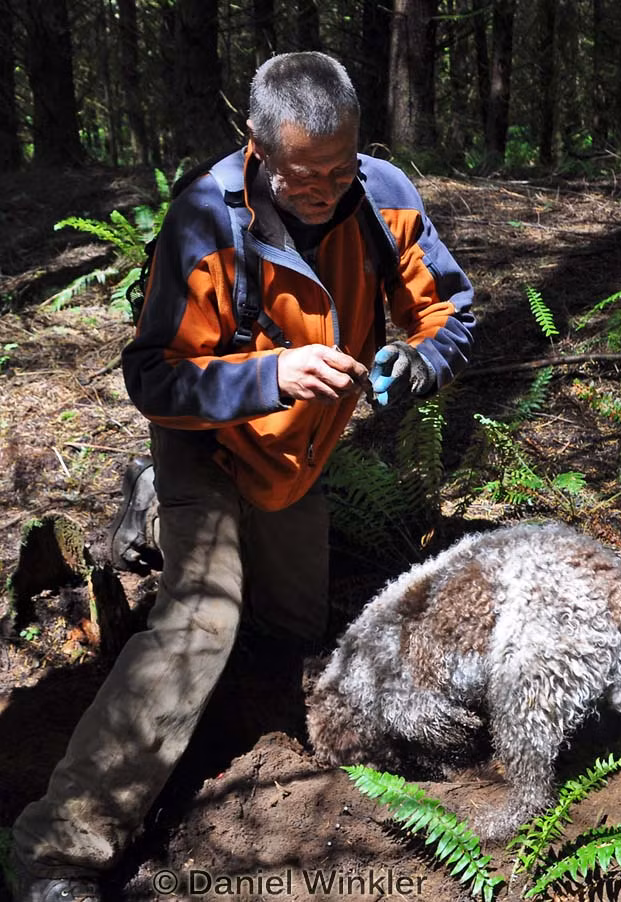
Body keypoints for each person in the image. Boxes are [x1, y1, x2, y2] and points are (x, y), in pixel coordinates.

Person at [10, 51, 476, 902]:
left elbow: (448, 310)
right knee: (201, 624)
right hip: (207, 446)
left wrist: (418, 362)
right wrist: (270, 375)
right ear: (255, 146)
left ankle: (150, 516)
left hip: (297, 460)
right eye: (304, 176)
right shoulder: (202, 220)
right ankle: (59, 851)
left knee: (293, 629)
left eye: (340, 169)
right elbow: (152, 376)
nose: (325, 190)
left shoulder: (385, 195)